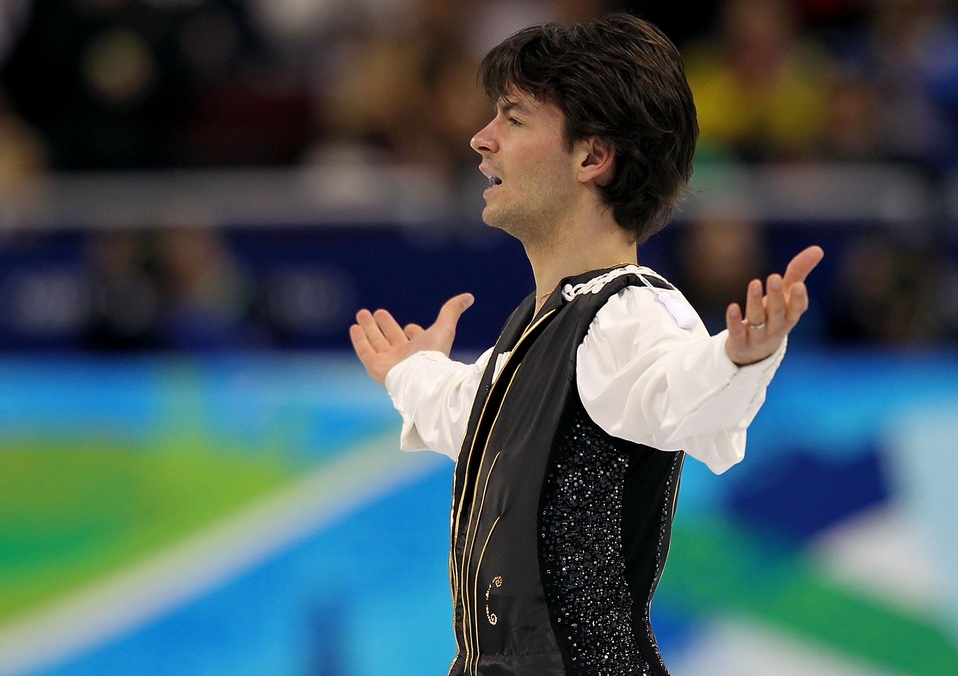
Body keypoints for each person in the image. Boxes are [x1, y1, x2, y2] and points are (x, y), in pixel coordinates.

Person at [349, 13, 823, 675]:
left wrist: (739, 356)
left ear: (592, 156)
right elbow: (468, 408)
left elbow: (680, 389)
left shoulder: (629, 313)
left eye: (513, 120)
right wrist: (411, 371)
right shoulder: (535, 331)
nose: (481, 139)